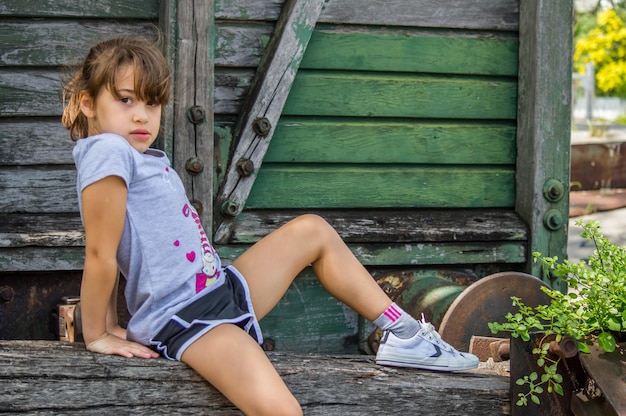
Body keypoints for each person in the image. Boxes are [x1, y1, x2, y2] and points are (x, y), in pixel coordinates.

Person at [62, 36, 478, 415]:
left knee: (311, 231)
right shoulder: (107, 150)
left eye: (151, 103)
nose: (142, 115)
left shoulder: (138, 154)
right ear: (86, 102)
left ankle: (403, 332)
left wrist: (116, 324)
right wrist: (97, 332)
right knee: (283, 412)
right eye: (126, 100)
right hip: (186, 319)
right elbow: (101, 252)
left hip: (216, 292)